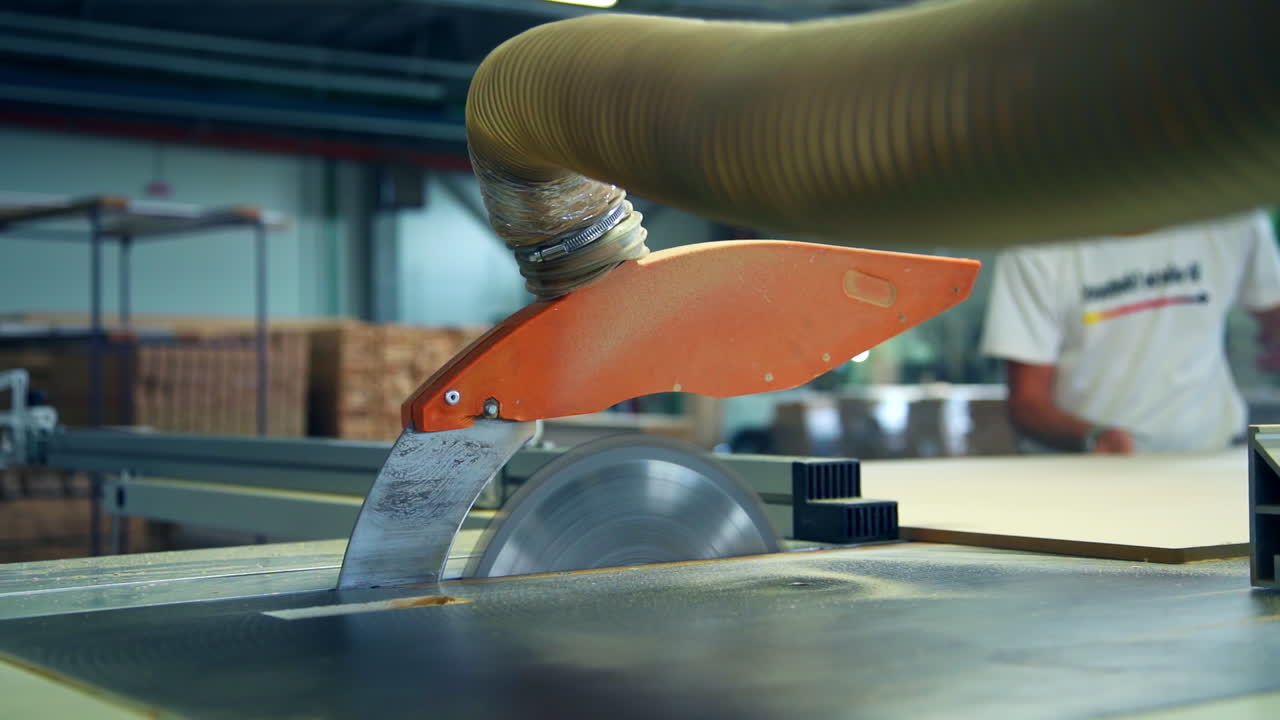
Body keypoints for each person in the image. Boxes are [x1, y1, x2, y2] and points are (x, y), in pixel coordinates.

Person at [979, 210, 1280, 454]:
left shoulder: (1229, 214)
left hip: (1211, 458)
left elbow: (1271, 306)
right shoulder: (1039, 243)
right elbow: (1028, 403)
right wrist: (1094, 437)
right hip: (1086, 477)